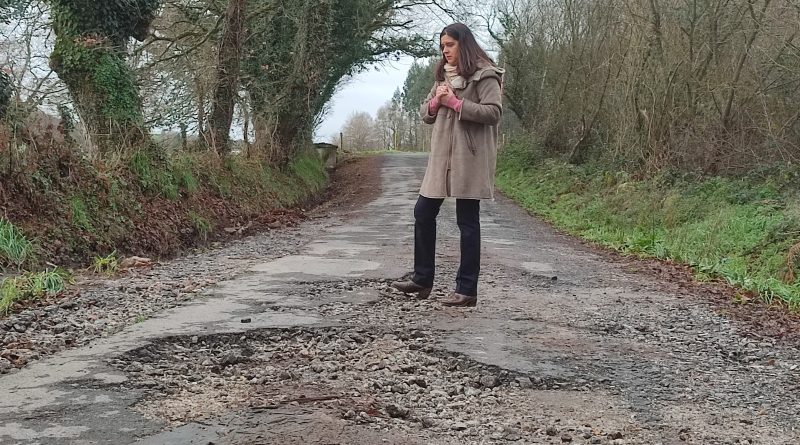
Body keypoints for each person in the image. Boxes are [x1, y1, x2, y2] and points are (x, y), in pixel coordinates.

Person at [391, 23, 504, 307]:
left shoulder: (485, 74)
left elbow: (493, 113)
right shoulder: (443, 74)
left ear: (463, 45)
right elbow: (425, 111)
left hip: (470, 156)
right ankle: (422, 279)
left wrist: (455, 103)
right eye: (442, 46)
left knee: (467, 221)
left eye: (449, 45)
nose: (445, 51)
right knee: (423, 211)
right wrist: (434, 105)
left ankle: (467, 290)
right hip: (441, 156)